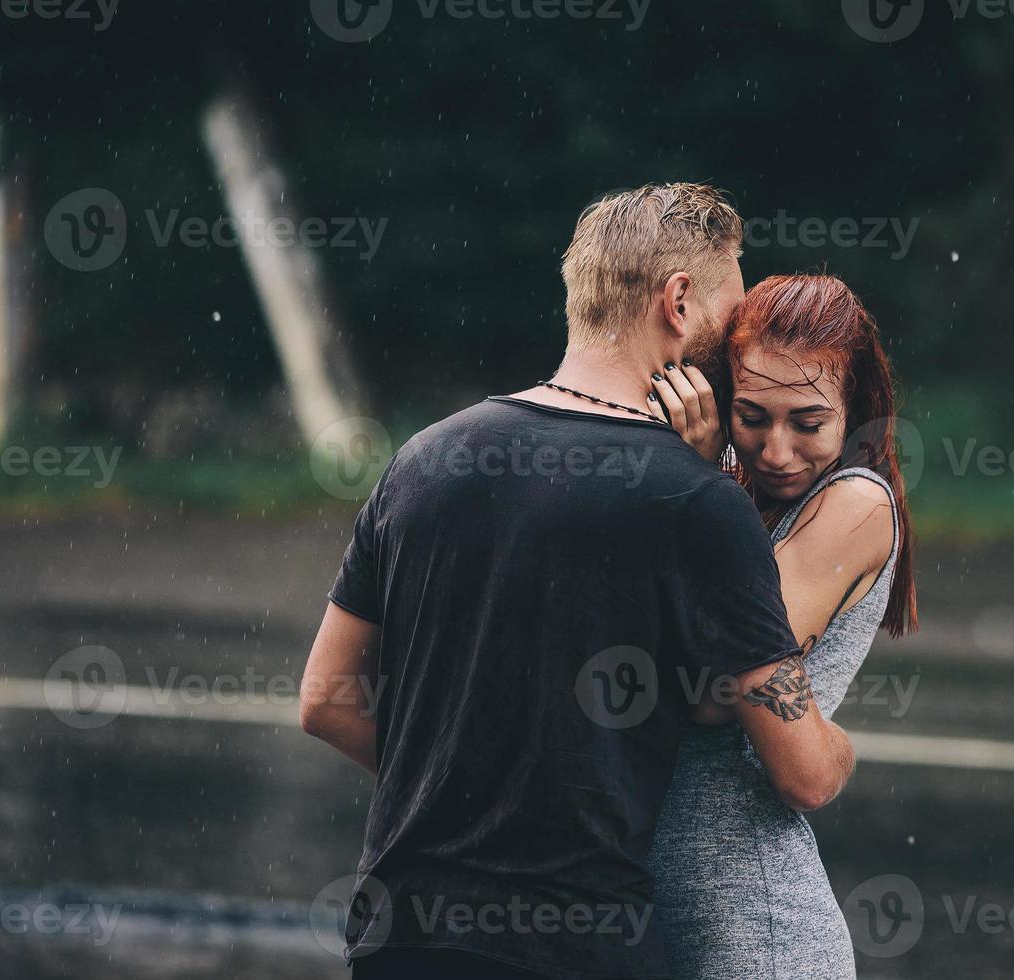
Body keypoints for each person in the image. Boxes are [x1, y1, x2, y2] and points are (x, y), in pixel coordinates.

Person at [299, 184, 859, 979]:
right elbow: (803, 772)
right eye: (730, 313)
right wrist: (841, 750)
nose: (738, 340)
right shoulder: (699, 502)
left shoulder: (425, 460)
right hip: (579, 945)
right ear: (678, 300)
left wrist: (459, 785)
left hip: (404, 934)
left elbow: (325, 701)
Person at [641, 273, 920, 979]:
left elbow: (713, 689)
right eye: (753, 416)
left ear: (854, 410)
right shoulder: (735, 480)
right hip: (657, 912)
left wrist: (704, 482)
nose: (776, 451)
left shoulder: (852, 503)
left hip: (757, 928)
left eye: (808, 421)